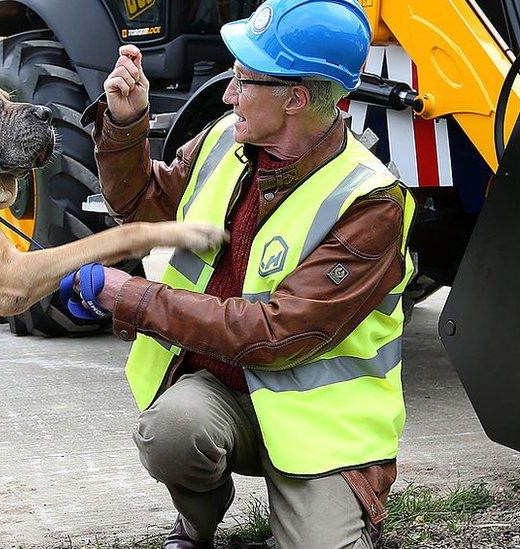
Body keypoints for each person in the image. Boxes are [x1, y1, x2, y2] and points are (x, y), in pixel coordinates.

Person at [83, 1, 414, 547]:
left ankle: (349, 506)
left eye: (242, 80)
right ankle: (196, 525)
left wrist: (131, 296)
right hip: (221, 390)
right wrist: (124, 127)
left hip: (319, 424)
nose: (228, 93)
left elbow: (277, 335)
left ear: (296, 99)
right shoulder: (223, 141)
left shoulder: (369, 199)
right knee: (172, 431)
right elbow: (143, 207)